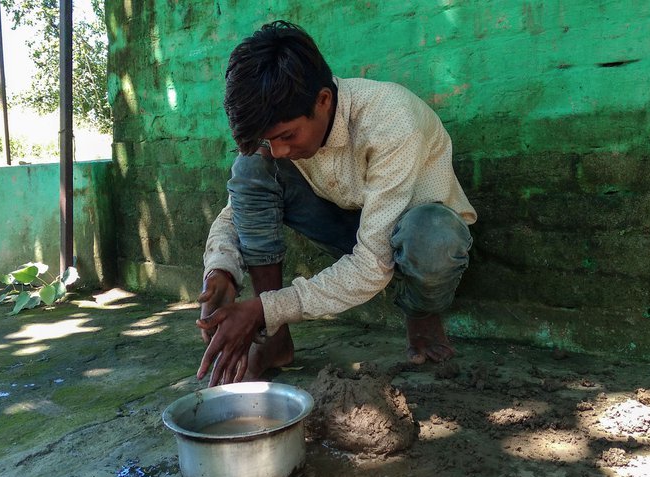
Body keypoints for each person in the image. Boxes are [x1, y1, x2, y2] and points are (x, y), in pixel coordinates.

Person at [196, 20, 476, 387]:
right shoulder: (282, 138)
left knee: (434, 238)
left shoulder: (391, 119)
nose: (280, 150)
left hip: (411, 231)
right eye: (270, 140)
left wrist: (264, 309)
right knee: (251, 167)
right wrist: (221, 270)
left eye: (287, 136)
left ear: (323, 101)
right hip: (349, 224)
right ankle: (276, 339)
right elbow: (237, 208)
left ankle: (422, 314)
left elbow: (373, 263)